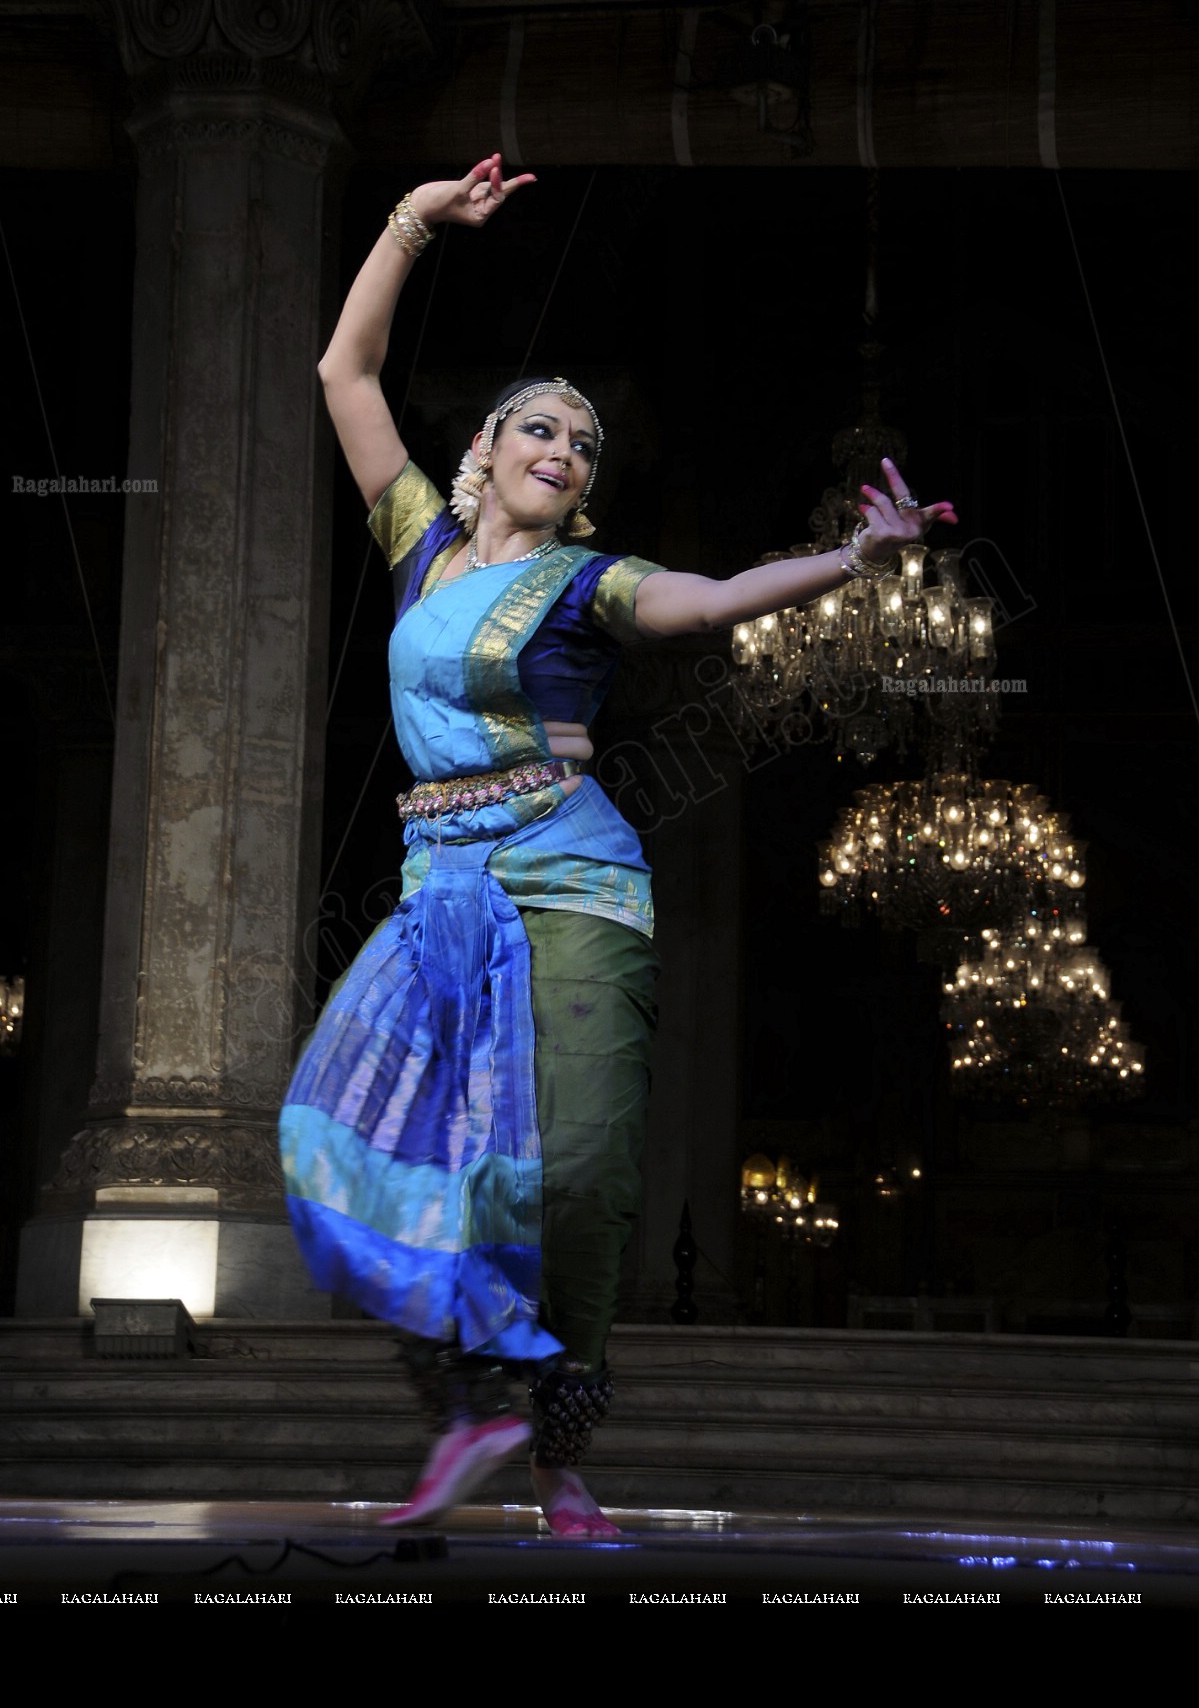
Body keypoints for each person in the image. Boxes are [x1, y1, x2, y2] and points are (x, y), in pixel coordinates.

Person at [279, 156, 958, 1537]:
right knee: (369, 1141)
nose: (566, 451)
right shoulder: (416, 544)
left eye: (584, 445)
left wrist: (850, 558)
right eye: (542, 427)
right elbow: (346, 373)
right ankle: (472, 1406)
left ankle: (560, 1453)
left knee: (577, 1166)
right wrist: (415, 221)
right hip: (442, 888)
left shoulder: (586, 580)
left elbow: (708, 602)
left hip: (575, 876)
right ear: (485, 446)